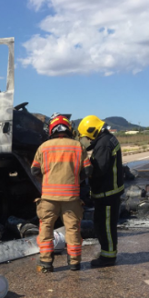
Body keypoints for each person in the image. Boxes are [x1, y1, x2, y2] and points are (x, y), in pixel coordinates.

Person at [31, 113, 92, 273]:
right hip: (71, 197)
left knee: (46, 229)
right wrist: (75, 179)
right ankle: (74, 263)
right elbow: (88, 170)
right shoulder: (78, 146)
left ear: (51, 129)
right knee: (72, 230)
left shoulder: (43, 147)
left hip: (49, 198)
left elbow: (34, 170)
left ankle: (46, 263)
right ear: (69, 128)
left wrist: (47, 179)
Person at [78, 115, 124, 267]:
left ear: (91, 131)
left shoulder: (103, 144)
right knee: (102, 224)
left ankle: (108, 257)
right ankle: (107, 251)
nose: (84, 139)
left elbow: (99, 169)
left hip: (107, 193)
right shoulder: (106, 139)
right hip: (108, 192)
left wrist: (85, 170)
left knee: (106, 227)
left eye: (84, 136)